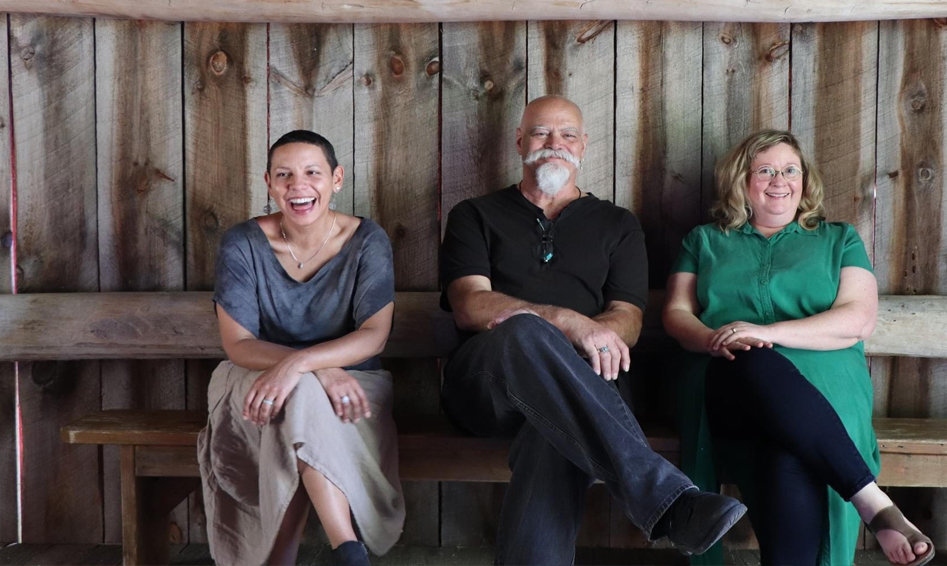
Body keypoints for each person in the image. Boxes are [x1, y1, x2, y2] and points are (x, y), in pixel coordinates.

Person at [439, 95, 747, 565]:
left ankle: (674, 507)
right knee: (525, 331)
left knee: (556, 428)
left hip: (588, 384)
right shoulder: (475, 214)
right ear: (520, 141)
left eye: (567, 135)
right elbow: (470, 304)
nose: (553, 144)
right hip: (488, 384)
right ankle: (668, 500)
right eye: (541, 132)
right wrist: (568, 322)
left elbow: (629, 317)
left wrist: (592, 338)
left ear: (584, 146)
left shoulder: (617, 224)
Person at [662, 129, 934, 566]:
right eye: (765, 170)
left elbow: (858, 319)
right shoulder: (705, 241)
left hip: (822, 394)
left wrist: (770, 333)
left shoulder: (839, 239)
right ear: (740, 181)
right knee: (753, 363)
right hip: (727, 382)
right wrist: (712, 338)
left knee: (789, 446)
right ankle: (870, 500)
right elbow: (676, 314)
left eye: (791, 170)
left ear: (805, 181)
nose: (780, 180)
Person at [197, 130, 403, 566]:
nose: (298, 185)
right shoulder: (242, 243)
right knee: (297, 396)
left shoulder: (368, 241)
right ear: (269, 183)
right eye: (285, 175)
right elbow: (238, 344)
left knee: (299, 397)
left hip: (353, 387)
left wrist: (305, 365)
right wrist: (312, 371)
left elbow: (374, 336)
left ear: (337, 179)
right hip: (253, 378)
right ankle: (348, 549)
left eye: (312, 173)